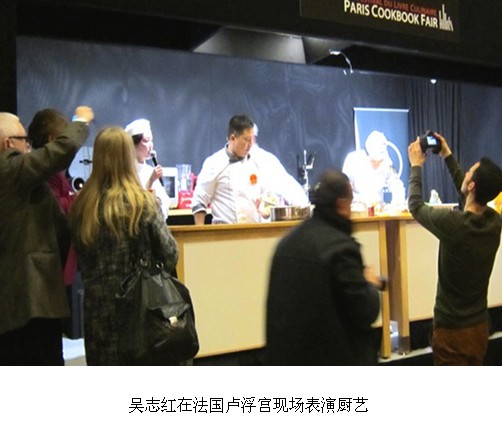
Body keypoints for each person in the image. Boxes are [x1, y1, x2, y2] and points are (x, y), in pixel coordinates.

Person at [69, 126, 179, 365]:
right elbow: (170, 254)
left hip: (97, 313)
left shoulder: (81, 205)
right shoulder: (142, 203)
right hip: (140, 313)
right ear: (128, 157)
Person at [0, 105, 94, 365]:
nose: (29, 146)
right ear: (8, 143)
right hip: (29, 303)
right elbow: (60, 151)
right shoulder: (9, 169)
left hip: (28, 302)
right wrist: (80, 120)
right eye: (23, 140)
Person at [265, 169, 382, 365]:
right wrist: (370, 284)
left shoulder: (285, 243)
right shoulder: (341, 248)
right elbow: (366, 311)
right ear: (342, 204)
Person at [408, 133, 502, 365]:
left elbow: (415, 205)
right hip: (479, 327)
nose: (465, 172)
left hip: (452, 331)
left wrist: (416, 166)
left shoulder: (454, 225)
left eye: (469, 171)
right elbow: (469, 191)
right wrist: (447, 155)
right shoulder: (493, 222)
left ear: (472, 185)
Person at [192, 115, 309, 224]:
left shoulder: (258, 160)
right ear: (233, 138)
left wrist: (266, 207)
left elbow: (269, 195)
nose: (250, 144)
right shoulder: (214, 163)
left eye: (252, 139)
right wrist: (200, 232)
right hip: (224, 233)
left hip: (253, 231)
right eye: (247, 140)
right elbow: (199, 201)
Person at [342, 130, 406, 209]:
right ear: (367, 154)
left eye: (380, 161)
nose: (377, 164)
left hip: (378, 209)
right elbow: (344, 189)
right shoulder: (352, 160)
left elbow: (396, 185)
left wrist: (397, 204)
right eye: (373, 161)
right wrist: (361, 200)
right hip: (357, 208)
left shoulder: (387, 162)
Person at [125, 118, 170, 220]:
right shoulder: (125, 172)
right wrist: (151, 181)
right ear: (132, 144)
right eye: (146, 141)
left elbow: (165, 203)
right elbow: (137, 207)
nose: (151, 145)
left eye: (151, 140)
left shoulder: (150, 171)